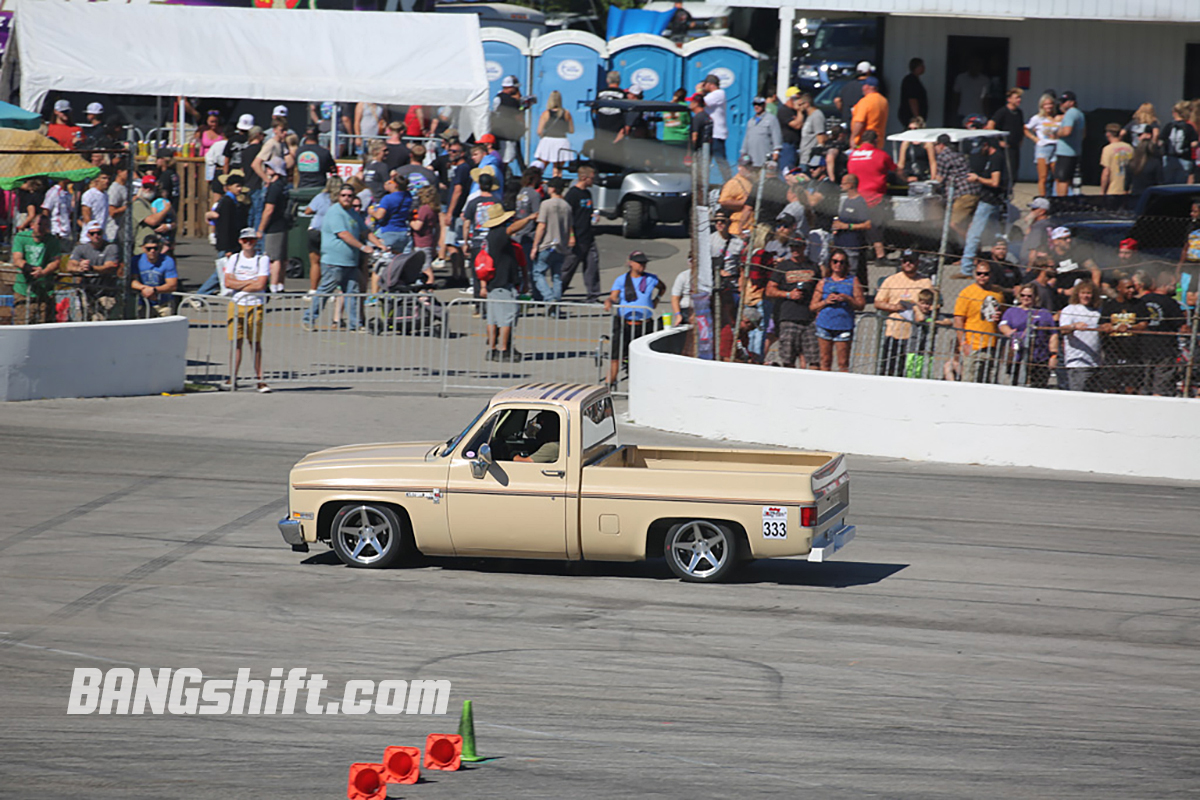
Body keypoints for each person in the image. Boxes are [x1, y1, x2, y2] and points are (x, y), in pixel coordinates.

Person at [304, 184, 384, 332]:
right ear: (339, 197)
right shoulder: (335, 212)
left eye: (349, 195)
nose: (347, 198)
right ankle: (308, 319)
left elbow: (365, 231)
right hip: (333, 262)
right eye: (343, 195)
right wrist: (363, 247)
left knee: (352, 292)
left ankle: (355, 324)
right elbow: (343, 234)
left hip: (350, 261)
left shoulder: (354, 213)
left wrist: (380, 244)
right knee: (325, 291)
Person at [605, 251, 664, 387]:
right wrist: (609, 301)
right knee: (616, 355)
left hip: (644, 323)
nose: (642, 266)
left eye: (644, 263)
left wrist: (657, 299)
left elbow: (662, 288)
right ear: (631, 263)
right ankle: (609, 383)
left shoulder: (651, 279)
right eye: (639, 263)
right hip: (625, 323)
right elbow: (613, 296)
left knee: (644, 354)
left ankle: (644, 383)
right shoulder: (622, 280)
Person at [223, 229, 271, 392]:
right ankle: (232, 378)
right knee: (236, 343)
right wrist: (250, 282)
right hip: (236, 304)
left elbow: (261, 285)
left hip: (255, 304)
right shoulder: (234, 258)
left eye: (251, 239)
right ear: (240, 241)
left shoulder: (262, 259)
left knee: (255, 343)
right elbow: (228, 282)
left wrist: (240, 283)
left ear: (256, 241)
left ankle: (260, 379)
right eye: (245, 240)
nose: (248, 242)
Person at [874, 249, 934, 376]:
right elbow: (878, 302)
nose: (908, 263)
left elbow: (933, 305)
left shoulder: (925, 282)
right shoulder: (891, 280)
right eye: (905, 261)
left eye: (911, 261)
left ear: (917, 263)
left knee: (910, 372)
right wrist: (895, 307)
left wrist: (917, 307)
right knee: (888, 370)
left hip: (914, 336)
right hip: (893, 333)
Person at [479, 202, 524, 362]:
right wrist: (531, 218)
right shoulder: (499, 234)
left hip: (493, 283)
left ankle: (491, 349)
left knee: (492, 319)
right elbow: (513, 229)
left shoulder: (490, 236)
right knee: (507, 319)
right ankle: (503, 349)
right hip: (503, 283)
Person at [766, 238, 820, 368]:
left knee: (814, 359)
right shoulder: (783, 266)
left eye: (798, 247)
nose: (795, 250)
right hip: (789, 317)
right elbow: (769, 290)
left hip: (809, 318)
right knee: (788, 358)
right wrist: (788, 294)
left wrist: (818, 310)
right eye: (792, 247)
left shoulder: (813, 266)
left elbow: (820, 290)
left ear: (804, 247)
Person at [958, 136, 1008, 275]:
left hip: (989, 202)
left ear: (986, 145)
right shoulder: (991, 158)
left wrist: (977, 179)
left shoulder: (996, 158)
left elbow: (995, 182)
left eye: (981, 148)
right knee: (996, 234)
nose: (979, 152)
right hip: (991, 201)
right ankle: (1000, 264)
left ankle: (966, 269)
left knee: (973, 234)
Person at [810, 248, 864, 372]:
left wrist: (846, 298)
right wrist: (826, 301)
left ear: (846, 264)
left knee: (843, 362)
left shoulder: (853, 280)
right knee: (825, 360)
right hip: (825, 324)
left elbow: (861, 304)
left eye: (842, 262)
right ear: (830, 263)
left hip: (844, 325)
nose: (838, 264)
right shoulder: (824, 282)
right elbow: (812, 306)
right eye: (835, 261)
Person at [953, 261, 1004, 383]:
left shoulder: (998, 293)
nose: (982, 276)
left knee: (988, 382)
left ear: (991, 275)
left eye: (985, 274)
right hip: (973, 344)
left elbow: (1002, 316)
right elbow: (958, 319)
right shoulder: (966, 293)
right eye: (979, 273)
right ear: (974, 274)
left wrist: (999, 318)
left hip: (991, 344)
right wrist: (963, 342)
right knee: (970, 380)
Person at [999, 283, 1058, 388]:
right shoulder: (1012, 311)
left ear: (1035, 297)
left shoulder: (1044, 314)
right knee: (1016, 385)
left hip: (1039, 357)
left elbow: (1053, 334)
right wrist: (1010, 333)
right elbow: (1003, 325)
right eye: (1023, 295)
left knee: (1039, 386)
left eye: (1029, 296)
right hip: (1018, 357)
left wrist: (1053, 355)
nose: (1025, 298)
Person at [1098, 277, 1147, 393]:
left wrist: (1130, 327)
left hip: (1133, 353)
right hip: (1113, 352)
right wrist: (1108, 327)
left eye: (1132, 287)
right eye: (1127, 288)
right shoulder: (1110, 306)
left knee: (1132, 387)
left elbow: (1144, 324)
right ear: (1119, 289)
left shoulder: (1139, 304)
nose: (1131, 290)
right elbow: (1102, 325)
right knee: (1111, 387)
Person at [1141, 271, 1186, 396]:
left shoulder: (1143, 299)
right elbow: (1181, 326)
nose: (1176, 288)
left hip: (1143, 347)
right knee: (1162, 383)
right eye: (1174, 285)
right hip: (1165, 349)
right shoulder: (1171, 303)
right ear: (1167, 285)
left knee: (1145, 382)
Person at [561, 165, 602, 303]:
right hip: (576, 238)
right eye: (592, 178)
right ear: (584, 178)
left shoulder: (588, 193)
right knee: (568, 268)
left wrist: (593, 216)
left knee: (592, 266)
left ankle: (593, 295)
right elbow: (568, 217)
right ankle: (556, 293)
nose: (593, 180)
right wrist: (571, 235)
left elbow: (587, 211)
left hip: (588, 236)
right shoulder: (572, 194)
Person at [530, 177, 571, 312]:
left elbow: (541, 226)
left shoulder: (546, 204)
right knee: (557, 277)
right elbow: (569, 227)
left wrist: (535, 246)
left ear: (552, 188)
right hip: (561, 246)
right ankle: (555, 307)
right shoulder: (567, 206)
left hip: (547, 244)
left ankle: (549, 298)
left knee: (538, 273)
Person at [11, 215, 61, 325]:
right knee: (23, 323)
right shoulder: (22, 237)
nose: (43, 228)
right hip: (24, 289)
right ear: (32, 225)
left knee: (45, 325)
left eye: (46, 225)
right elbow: (17, 259)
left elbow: (56, 261)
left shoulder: (52, 240)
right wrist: (28, 268)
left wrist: (43, 272)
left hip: (45, 291)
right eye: (39, 224)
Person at [68, 221, 121, 320]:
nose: (96, 236)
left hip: (106, 292)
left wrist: (91, 268)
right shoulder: (80, 249)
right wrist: (79, 268)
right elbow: (70, 266)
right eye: (92, 233)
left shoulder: (111, 247)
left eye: (99, 233)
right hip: (87, 292)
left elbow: (109, 266)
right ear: (88, 235)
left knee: (99, 319)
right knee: (84, 318)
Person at [1059, 281, 1103, 392]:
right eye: (1083, 293)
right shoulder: (1070, 310)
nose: (1086, 296)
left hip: (1095, 362)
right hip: (1078, 362)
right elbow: (1063, 330)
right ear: (1077, 294)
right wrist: (1074, 326)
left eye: (1089, 293)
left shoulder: (1098, 311)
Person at [934, 134, 978, 244]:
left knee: (953, 223)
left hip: (963, 194)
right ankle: (964, 250)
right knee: (966, 224)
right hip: (974, 191)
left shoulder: (944, 156)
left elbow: (940, 179)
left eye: (935, 145)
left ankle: (971, 246)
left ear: (941, 145)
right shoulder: (958, 153)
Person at [256, 157, 290, 292]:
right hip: (283, 224)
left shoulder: (274, 188)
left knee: (273, 258)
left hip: (274, 226)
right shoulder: (283, 186)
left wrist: (260, 228)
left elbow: (268, 210)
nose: (267, 170)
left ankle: (274, 286)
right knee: (281, 257)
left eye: (269, 167)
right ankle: (280, 284)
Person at [831, 173, 871, 284]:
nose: (841, 186)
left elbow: (867, 224)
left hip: (852, 244)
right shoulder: (846, 200)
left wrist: (848, 226)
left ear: (851, 185)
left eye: (843, 183)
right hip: (840, 242)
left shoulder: (860, 202)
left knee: (850, 272)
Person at [303, 176, 340, 295]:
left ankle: (313, 289)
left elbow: (307, 211)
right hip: (332, 233)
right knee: (332, 263)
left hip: (315, 231)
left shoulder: (320, 197)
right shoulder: (341, 199)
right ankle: (330, 290)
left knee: (315, 262)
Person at [127, 234, 178, 318]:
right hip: (143, 303)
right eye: (149, 248)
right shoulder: (136, 260)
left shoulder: (168, 261)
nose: (152, 251)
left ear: (160, 248)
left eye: (155, 248)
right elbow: (132, 281)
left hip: (163, 303)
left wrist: (154, 290)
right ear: (143, 248)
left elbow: (172, 285)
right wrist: (144, 288)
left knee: (166, 328)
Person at [492, 75, 530, 172]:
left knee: (501, 160)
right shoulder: (511, 101)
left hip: (498, 134)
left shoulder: (498, 97)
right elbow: (518, 114)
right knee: (505, 161)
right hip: (508, 135)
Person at [1024, 93, 1059, 198]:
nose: (1049, 106)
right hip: (1043, 148)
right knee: (1043, 176)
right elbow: (1025, 128)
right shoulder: (1037, 118)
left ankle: (1055, 197)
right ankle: (1043, 199)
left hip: (1056, 146)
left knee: (1056, 176)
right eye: (1046, 104)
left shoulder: (1057, 117)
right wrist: (1035, 138)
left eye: (1051, 104)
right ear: (1042, 106)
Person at [986, 88, 1025, 182]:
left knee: (1013, 173)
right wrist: (998, 142)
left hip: (1014, 147)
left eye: (1019, 98)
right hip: (1005, 148)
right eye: (1016, 98)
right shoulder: (1002, 112)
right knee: (1006, 173)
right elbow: (990, 125)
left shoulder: (1019, 112)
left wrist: (1020, 140)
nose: (1019, 100)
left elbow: (1021, 127)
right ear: (1009, 99)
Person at [697, 74, 731, 180]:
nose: (703, 87)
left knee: (720, 160)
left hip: (717, 133)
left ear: (711, 84)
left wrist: (698, 90)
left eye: (705, 84)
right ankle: (703, 184)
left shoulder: (719, 93)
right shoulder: (711, 95)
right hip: (709, 132)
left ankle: (728, 182)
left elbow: (701, 102)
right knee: (704, 160)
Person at [534, 91, 575, 176]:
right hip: (562, 141)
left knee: (542, 166)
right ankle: (556, 185)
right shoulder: (566, 113)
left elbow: (539, 131)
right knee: (558, 168)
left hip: (548, 140)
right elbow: (571, 130)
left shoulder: (546, 113)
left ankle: (537, 183)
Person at [373, 174, 415, 255]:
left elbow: (379, 215)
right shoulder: (408, 196)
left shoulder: (388, 198)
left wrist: (371, 212)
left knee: (384, 258)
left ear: (395, 184)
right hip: (403, 231)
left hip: (388, 231)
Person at [1054, 91, 1086, 196]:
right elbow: (1083, 134)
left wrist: (1056, 132)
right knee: (1068, 179)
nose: (1061, 104)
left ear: (1071, 102)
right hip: (1075, 151)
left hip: (1066, 153)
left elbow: (1067, 131)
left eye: (1064, 102)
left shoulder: (1070, 113)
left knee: (1062, 179)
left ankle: (1061, 203)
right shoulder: (1080, 114)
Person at [718, 156, 757, 237]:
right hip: (738, 229)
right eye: (745, 167)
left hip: (750, 227)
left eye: (750, 166)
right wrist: (742, 202)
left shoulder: (751, 181)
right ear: (739, 167)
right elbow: (723, 201)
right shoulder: (734, 182)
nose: (748, 169)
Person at [1160, 101, 1198, 185]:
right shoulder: (1189, 127)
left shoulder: (1169, 126)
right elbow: (1194, 143)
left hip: (1169, 158)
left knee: (1167, 184)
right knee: (1180, 185)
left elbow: (1160, 141)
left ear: (1174, 113)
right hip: (1184, 158)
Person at [740, 96, 782, 167]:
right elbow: (747, 137)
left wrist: (776, 152)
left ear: (764, 105)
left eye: (759, 105)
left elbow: (776, 136)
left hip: (764, 156)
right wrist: (743, 151)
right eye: (755, 105)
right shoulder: (750, 121)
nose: (756, 107)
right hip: (751, 159)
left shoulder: (771, 119)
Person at [849, 77, 888, 148]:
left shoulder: (865, 101)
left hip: (864, 142)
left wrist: (853, 138)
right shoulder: (883, 101)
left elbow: (859, 122)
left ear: (867, 86)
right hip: (878, 141)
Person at [951, 58, 990, 126]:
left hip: (979, 115)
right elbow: (956, 96)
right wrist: (953, 114)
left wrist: (987, 116)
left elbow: (985, 99)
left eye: (977, 65)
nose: (974, 67)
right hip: (963, 113)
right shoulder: (961, 78)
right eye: (972, 64)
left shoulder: (984, 80)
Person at [1100, 123, 1134, 196]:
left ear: (1108, 134)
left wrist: (1103, 190)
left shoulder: (1107, 149)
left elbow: (1106, 172)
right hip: (1128, 189)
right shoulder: (1130, 148)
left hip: (1113, 190)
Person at [796, 92, 826, 173]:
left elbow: (820, 136)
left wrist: (817, 154)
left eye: (800, 105)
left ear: (806, 104)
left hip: (810, 158)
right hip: (804, 156)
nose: (798, 107)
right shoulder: (808, 116)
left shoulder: (817, 115)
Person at [1129, 129, 1164, 197]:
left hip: (1135, 194)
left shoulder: (1132, 163)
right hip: (1151, 195)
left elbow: (1127, 183)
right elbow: (1160, 181)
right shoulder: (1155, 163)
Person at [78, 172, 111, 243]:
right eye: (104, 178)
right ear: (97, 179)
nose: (107, 181)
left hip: (102, 237)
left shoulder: (106, 195)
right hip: (89, 239)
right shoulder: (89, 194)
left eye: (108, 178)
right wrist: (94, 232)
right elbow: (86, 216)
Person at [899, 58, 928, 127]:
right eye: (922, 66)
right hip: (910, 116)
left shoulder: (915, 80)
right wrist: (917, 117)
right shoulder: (911, 81)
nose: (924, 68)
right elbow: (912, 99)